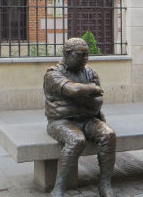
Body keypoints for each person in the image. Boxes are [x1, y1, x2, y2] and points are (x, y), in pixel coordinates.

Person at [44, 38, 116, 197]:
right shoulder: (53, 73)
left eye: (87, 55)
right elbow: (72, 89)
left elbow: (98, 103)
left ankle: (105, 183)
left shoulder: (90, 72)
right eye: (80, 55)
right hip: (61, 122)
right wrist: (90, 90)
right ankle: (59, 187)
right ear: (67, 54)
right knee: (77, 139)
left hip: (88, 119)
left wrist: (74, 102)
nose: (85, 59)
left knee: (108, 135)